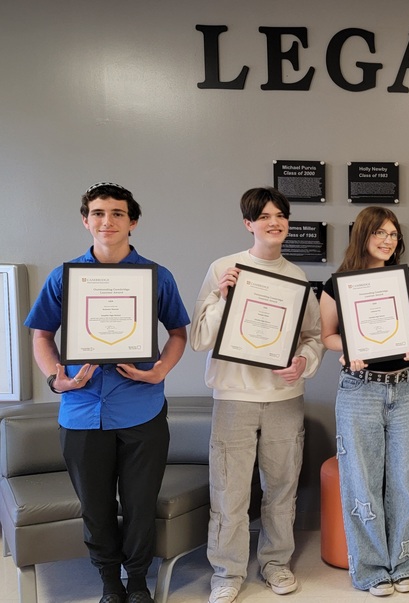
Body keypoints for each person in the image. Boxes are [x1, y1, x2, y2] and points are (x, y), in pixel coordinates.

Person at [25, 183, 190, 603]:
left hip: (142, 409)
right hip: (80, 411)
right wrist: (56, 380)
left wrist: (160, 372)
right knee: (96, 510)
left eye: (117, 213)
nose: (107, 221)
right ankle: (109, 584)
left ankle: (138, 583)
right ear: (86, 220)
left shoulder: (157, 276)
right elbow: (42, 335)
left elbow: (177, 333)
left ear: (132, 222)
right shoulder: (64, 277)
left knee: (139, 506)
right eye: (98, 213)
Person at [189, 187, 325, 603]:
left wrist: (303, 362)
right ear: (248, 224)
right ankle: (227, 573)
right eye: (263, 216)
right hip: (234, 397)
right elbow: (198, 338)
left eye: (280, 215)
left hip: (285, 398)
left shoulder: (298, 277)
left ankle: (275, 563)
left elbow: (314, 337)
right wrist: (222, 297)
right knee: (229, 490)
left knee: (281, 488)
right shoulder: (223, 269)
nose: (274, 222)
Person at [319, 206, 409, 597]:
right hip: (359, 389)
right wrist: (347, 349)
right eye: (380, 233)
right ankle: (370, 570)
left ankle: (407, 563)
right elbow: (327, 335)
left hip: (405, 389)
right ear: (363, 235)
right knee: (361, 484)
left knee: (405, 481)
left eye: (393, 234)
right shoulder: (338, 284)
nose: (387, 240)